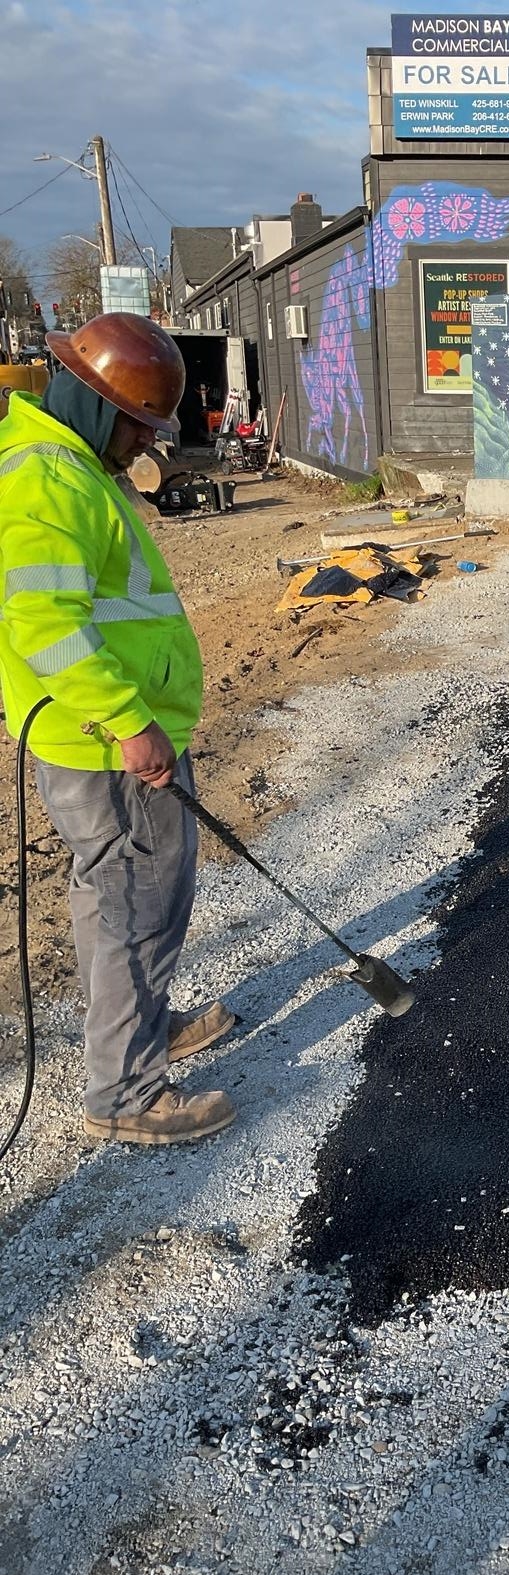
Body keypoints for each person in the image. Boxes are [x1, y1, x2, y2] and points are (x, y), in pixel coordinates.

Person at [0, 312, 236, 1145]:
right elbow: (44, 625)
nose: (145, 445)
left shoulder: (69, 467)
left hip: (98, 738)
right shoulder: (50, 480)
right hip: (108, 746)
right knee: (138, 900)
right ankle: (127, 1095)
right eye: (141, 426)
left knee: (117, 896)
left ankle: (138, 1030)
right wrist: (134, 723)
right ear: (101, 404)